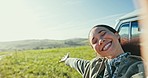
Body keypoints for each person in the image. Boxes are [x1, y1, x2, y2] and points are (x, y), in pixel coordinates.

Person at [59, 25, 145, 78]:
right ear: (95, 50)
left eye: (103, 33)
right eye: (94, 41)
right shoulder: (93, 67)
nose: (100, 41)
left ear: (116, 35)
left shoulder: (139, 67)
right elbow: (78, 63)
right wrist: (67, 60)